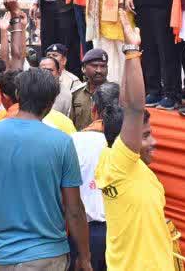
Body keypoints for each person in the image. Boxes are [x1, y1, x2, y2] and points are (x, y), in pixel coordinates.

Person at [0, 68, 92, 271]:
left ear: (18, 95)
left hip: (2, 255)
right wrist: (85, 256)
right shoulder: (61, 143)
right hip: (48, 257)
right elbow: (74, 209)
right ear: (51, 103)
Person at [94, 6, 174, 271]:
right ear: (124, 139)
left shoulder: (128, 165)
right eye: (146, 136)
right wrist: (132, 51)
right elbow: (134, 108)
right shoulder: (118, 163)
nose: (154, 143)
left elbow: (127, 102)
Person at [73, 84, 120, 271]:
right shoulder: (130, 146)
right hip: (121, 231)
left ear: (94, 110)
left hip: (84, 233)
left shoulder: (73, 141)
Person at [71, 49, 111, 131]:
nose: (99, 70)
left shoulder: (115, 93)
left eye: (103, 66)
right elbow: (71, 123)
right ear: (84, 69)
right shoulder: (76, 93)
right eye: (94, 66)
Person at [38, 56, 79, 134]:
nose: (46, 73)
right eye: (43, 70)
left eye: (50, 70)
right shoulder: (31, 90)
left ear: (59, 73)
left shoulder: (67, 95)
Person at [46, 43, 85, 117]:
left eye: (55, 55)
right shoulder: (40, 77)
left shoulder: (73, 81)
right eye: (48, 55)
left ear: (64, 60)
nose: (51, 57)